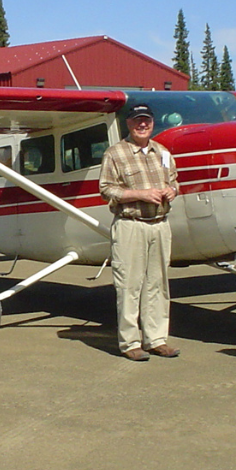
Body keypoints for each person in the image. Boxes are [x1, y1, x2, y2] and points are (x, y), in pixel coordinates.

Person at [99, 103, 181, 362]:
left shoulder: (163, 153)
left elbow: (175, 181)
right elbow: (106, 189)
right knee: (129, 285)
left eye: (146, 120)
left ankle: (157, 339)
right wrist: (139, 194)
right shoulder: (115, 153)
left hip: (160, 225)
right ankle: (130, 342)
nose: (142, 125)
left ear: (152, 123)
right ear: (129, 124)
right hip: (130, 225)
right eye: (137, 121)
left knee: (158, 283)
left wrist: (172, 191)